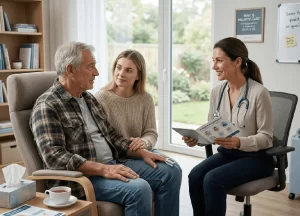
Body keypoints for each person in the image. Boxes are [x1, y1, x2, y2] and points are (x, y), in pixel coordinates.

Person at [30, 42, 181, 216]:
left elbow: (112, 137)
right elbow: (54, 157)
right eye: (91, 67)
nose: (97, 73)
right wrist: (104, 169)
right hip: (84, 178)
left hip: (113, 163)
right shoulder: (47, 105)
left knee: (171, 171)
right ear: (70, 70)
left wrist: (142, 152)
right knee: (139, 189)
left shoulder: (88, 99)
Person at [183, 37, 275, 216]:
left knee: (212, 179)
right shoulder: (217, 92)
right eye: (213, 61)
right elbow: (211, 129)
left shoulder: (259, 93)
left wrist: (239, 142)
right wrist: (197, 139)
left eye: (219, 60)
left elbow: (267, 138)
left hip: (257, 159)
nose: (214, 66)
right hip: (228, 154)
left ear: (237, 62)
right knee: (195, 175)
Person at [94, 49, 182, 214]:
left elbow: (151, 132)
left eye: (128, 70)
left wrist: (145, 142)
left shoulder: (145, 98)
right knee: (168, 174)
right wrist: (138, 149)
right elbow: (106, 140)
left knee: (174, 169)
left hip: (141, 152)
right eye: (118, 67)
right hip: (119, 158)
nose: (121, 73)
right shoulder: (101, 99)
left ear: (138, 75)